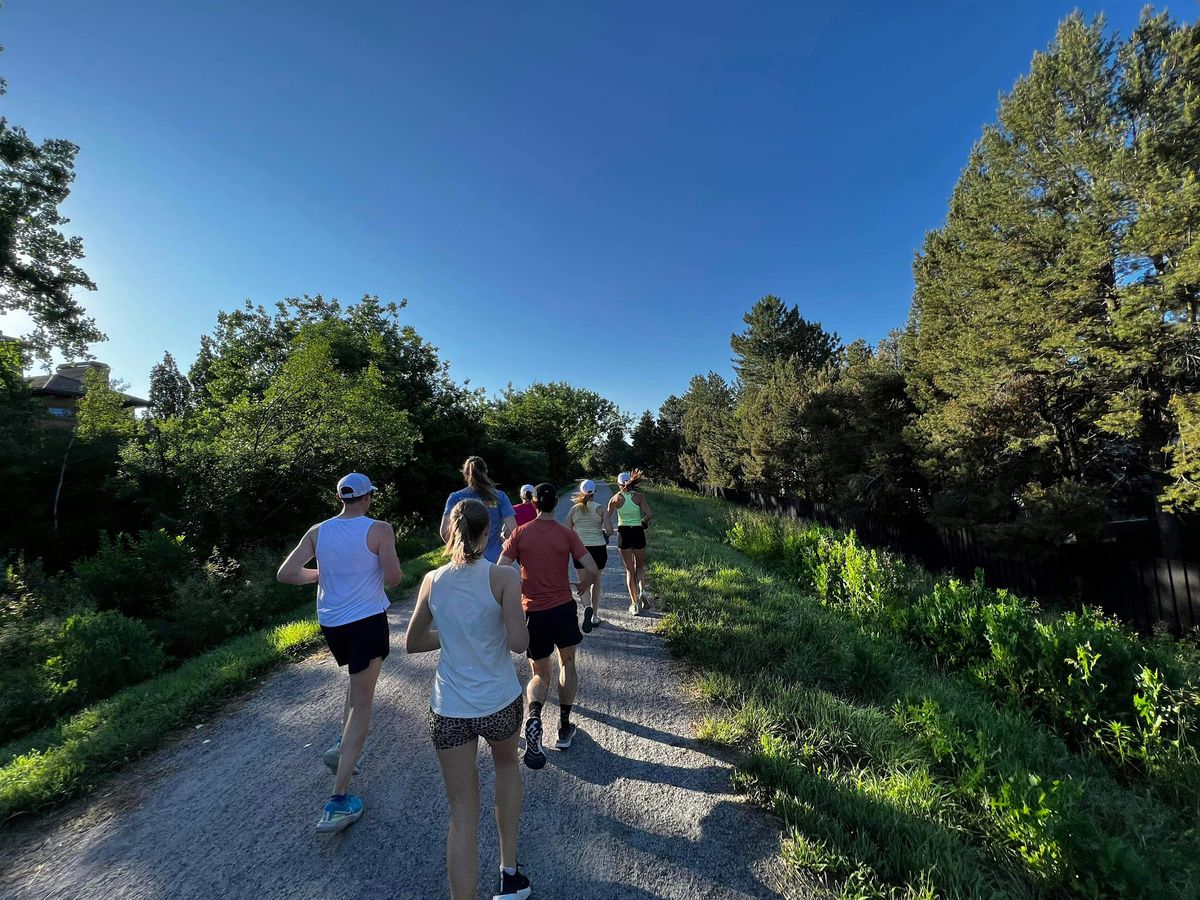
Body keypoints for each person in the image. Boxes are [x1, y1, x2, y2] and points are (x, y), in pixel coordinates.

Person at [405, 499, 533, 900]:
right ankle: (508, 873)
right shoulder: (504, 578)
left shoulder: (432, 580)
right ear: (488, 532)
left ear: (452, 530)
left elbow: (412, 643)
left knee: (461, 812)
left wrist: (455, 634)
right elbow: (518, 643)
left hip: (448, 709)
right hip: (499, 702)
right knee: (507, 766)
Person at [277, 472, 404, 833]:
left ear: (340, 499)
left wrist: (321, 575)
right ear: (367, 498)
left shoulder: (318, 531)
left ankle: (340, 742)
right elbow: (394, 578)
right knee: (364, 705)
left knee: (356, 683)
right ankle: (338, 800)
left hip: (332, 624)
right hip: (365, 620)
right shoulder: (379, 529)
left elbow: (286, 574)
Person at [498, 483, 599, 765]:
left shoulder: (519, 533)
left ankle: (534, 718)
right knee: (567, 663)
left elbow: (500, 569)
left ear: (534, 504)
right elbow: (591, 568)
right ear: (556, 504)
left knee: (540, 673)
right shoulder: (567, 535)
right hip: (563, 609)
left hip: (534, 612)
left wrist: (515, 591)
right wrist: (583, 584)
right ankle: (565, 727)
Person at [440, 457, 517, 563]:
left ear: (465, 474)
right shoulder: (499, 496)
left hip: (465, 560)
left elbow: (444, 532)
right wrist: (503, 537)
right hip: (495, 560)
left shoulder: (455, 498)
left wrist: (460, 547)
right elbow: (513, 529)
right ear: (486, 472)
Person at [566, 479, 612, 632]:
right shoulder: (601, 509)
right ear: (595, 492)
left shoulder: (574, 510)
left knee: (583, 582)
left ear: (581, 492)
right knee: (596, 582)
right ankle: (595, 615)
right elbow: (610, 530)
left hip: (580, 550)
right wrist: (603, 532)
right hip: (598, 548)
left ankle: (587, 608)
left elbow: (567, 531)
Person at [607, 469, 654, 615]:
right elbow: (649, 515)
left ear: (618, 484)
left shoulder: (615, 498)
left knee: (629, 570)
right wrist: (643, 522)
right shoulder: (639, 497)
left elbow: (607, 517)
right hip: (638, 532)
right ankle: (642, 591)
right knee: (640, 567)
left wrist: (605, 531)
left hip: (624, 533)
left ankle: (634, 605)